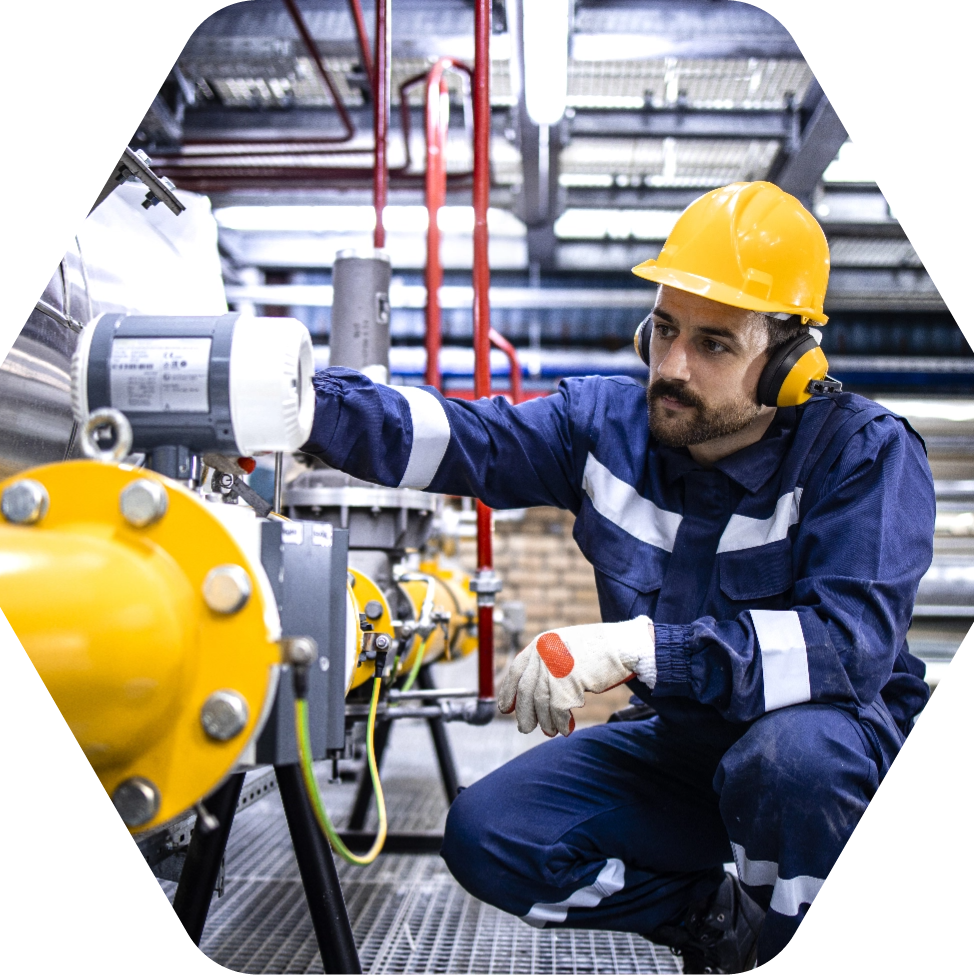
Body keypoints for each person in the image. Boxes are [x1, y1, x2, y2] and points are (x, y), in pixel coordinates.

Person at [301, 181, 934, 972]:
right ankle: (717, 920)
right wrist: (300, 408)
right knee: (492, 833)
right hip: (680, 740)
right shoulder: (602, 427)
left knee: (790, 763)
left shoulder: (861, 454)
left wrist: (644, 648)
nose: (669, 366)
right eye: (663, 328)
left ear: (786, 365)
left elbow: (847, 648)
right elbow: (464, 438)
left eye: (712, 344)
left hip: (824, 755)